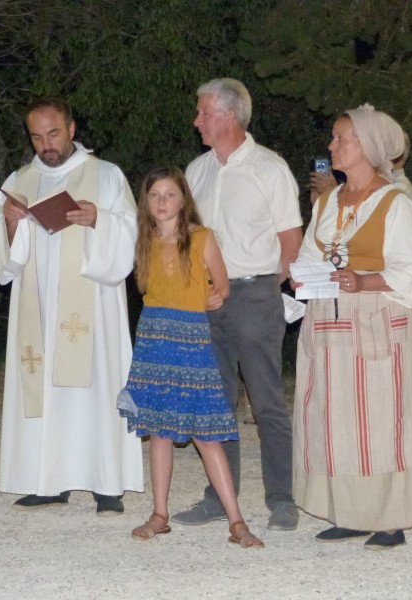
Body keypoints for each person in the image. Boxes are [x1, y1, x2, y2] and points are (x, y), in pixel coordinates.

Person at [0, 98, 143, 515]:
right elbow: (2, 249)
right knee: (44, 389)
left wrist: (99, 220)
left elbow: (130, 230)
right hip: (37, 310)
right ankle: (47, 480)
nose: (46, 144)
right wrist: (12, 223)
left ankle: (106, 482)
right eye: (37, 137)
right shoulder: (20, 179)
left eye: (53, 133)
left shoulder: (106, 175)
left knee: (97, 387)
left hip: (91, 304)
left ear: (72, 128)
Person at [292, 104, 412, 550]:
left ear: (367, 146)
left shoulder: (395, 203)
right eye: (333, 138)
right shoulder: (328, 201)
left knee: (378, 421)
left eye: (341, 138)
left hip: (375, 324)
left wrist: (363, 280)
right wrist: (300, 274)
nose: (332, 146)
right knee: (334, 420)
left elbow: (409, 273)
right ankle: (348, 513)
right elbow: (313, 256)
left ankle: (389, 519)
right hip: (330, 325)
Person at [171, 78, 303, 531]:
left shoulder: (270, 169)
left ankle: (282, 499)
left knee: (266, 401)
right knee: (215, 403)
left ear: (229, 115)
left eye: (204, 112)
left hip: (253, 295)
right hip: (204, 299)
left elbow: (291, 245)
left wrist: (264, 290)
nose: (197, 121)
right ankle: (218, 497)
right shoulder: (196, 171)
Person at [118, 166, 264, 549]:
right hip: (154, 338)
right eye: (155, 195)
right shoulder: (144, 239)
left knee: (206, 433)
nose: (162, 202)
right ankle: (159, 514)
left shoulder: (202, 238)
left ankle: (236, 520)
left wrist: (210, 297)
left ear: (184, 200)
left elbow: (223, 284)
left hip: (192, 340)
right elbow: (147, 287)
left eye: (170, 194)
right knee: (160, 432)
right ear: (145, 203)